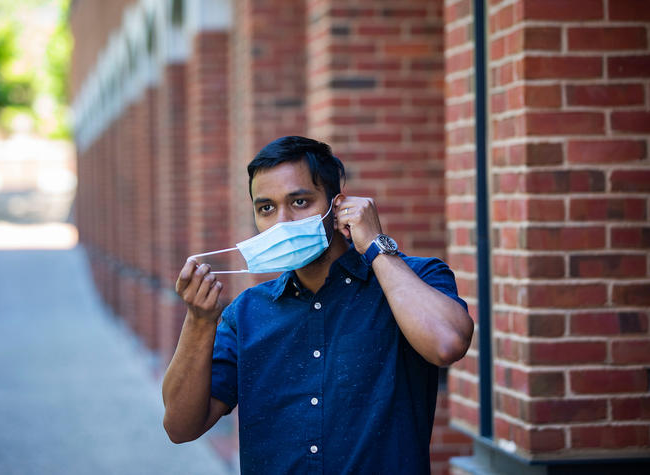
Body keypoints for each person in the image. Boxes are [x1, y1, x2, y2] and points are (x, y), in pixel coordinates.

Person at [162, 136, 474, 474]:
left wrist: (375, 245)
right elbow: (180, 427)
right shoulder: (247, 313)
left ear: (336, 206)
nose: (282, 222)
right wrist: (198, 320)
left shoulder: (414, 278)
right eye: (266, 208)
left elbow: (448, 344)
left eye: (299, 202)